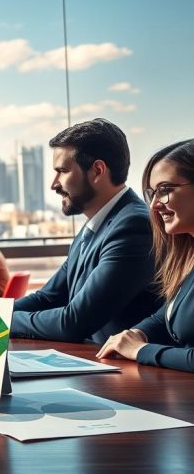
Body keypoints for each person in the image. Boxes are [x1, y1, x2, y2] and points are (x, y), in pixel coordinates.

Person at [12, 119, 161, 343]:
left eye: (62, 171)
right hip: (96, 364)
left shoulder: (134, 226)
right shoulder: (93, 227)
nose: (54, 184)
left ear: (97, 171)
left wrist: (1, 322)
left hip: (129, 374)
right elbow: (48, 297)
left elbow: (74, 322)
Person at [97, 139, 194, 372]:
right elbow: (169, 315)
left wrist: (140, 350)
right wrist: (135, 334)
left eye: (165, 190)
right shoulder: (187, 257)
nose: (153, 205)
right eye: (151, 193)